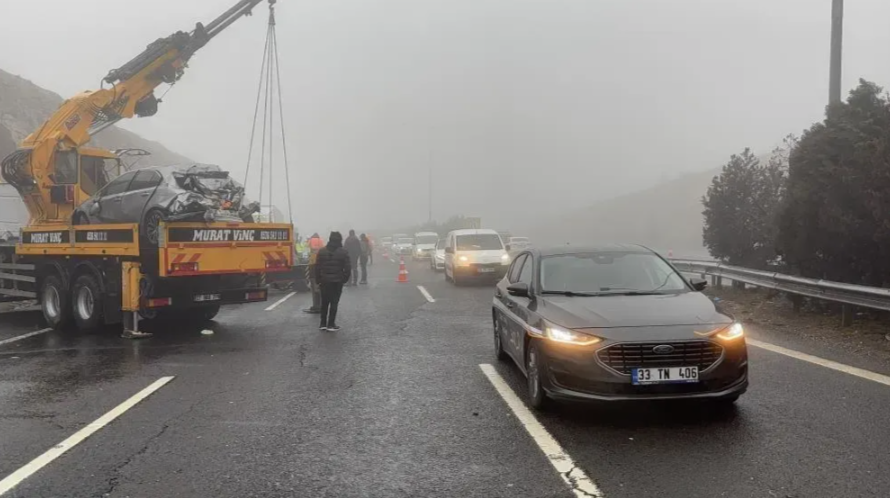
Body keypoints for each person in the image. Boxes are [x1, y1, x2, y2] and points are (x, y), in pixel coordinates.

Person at [314, 231, 350, 331]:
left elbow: (317, 267)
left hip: (324, 280)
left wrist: (318, 280)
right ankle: (331, 324)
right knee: (334, 302)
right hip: (337, 281)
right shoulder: (343, 252)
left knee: (324, 302)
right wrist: (344, 279)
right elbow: (347, 268)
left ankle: (322, 323)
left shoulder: (321, 251)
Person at [302, 233, 324, 314]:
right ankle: (321, 305)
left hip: (313, 264)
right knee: (320, 286)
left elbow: (306, 250)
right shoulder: (321, 240)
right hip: (321, 263)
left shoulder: (311, 241)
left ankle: (316, 306)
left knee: (314, 286)